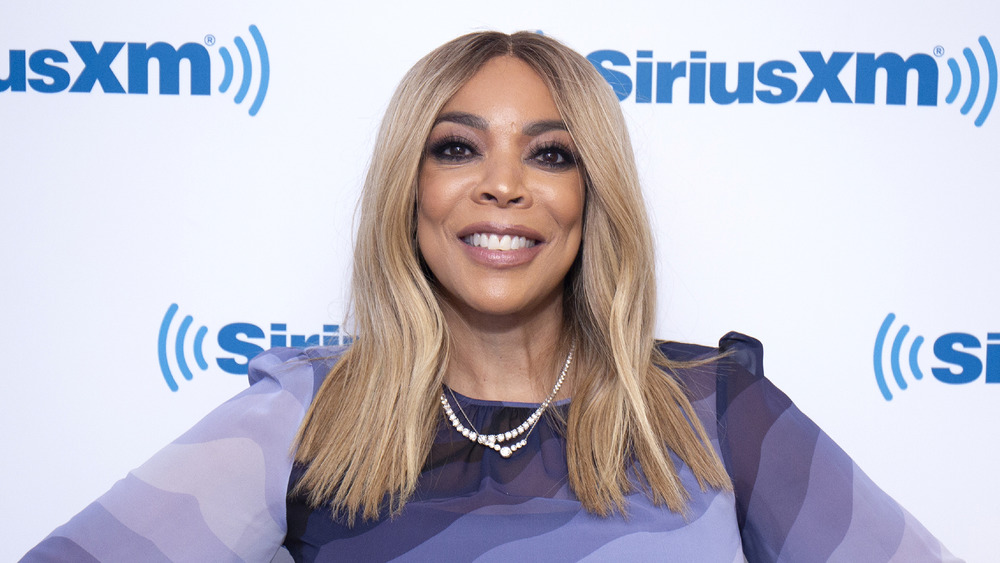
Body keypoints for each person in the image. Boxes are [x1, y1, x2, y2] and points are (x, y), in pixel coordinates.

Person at [23, 31, 959, 562]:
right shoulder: (308, 414)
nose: (503, 186)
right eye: (457, 147)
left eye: (550, 154)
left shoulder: (716, 409)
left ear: (594, 198)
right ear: (411, 188)